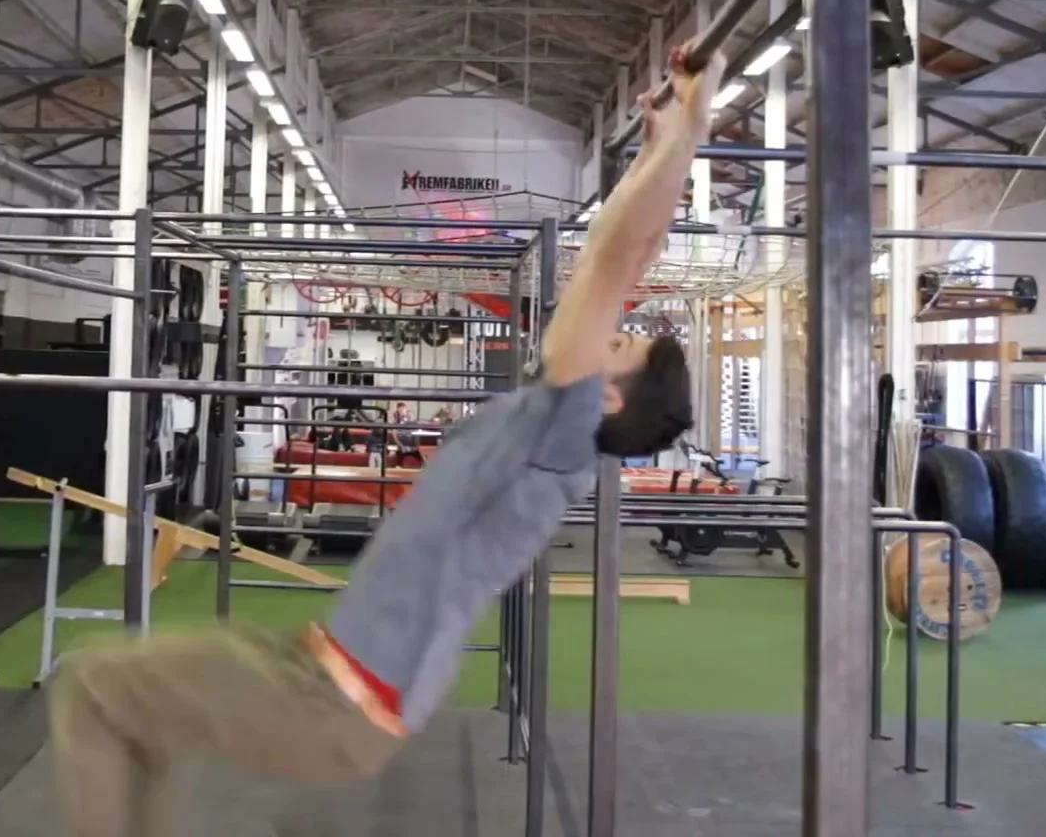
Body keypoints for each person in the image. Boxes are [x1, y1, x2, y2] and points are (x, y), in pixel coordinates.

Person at [48, 46, 716, 837]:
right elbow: (628, 247)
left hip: (336, 706)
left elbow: (614, 258)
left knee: (97, 691)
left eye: (619, 343)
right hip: (319, 667)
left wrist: (690, 125)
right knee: (134, 712)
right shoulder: (549, 419)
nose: (606, 328)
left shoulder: (563, 434)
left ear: (608, 395)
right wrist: (665, 141)